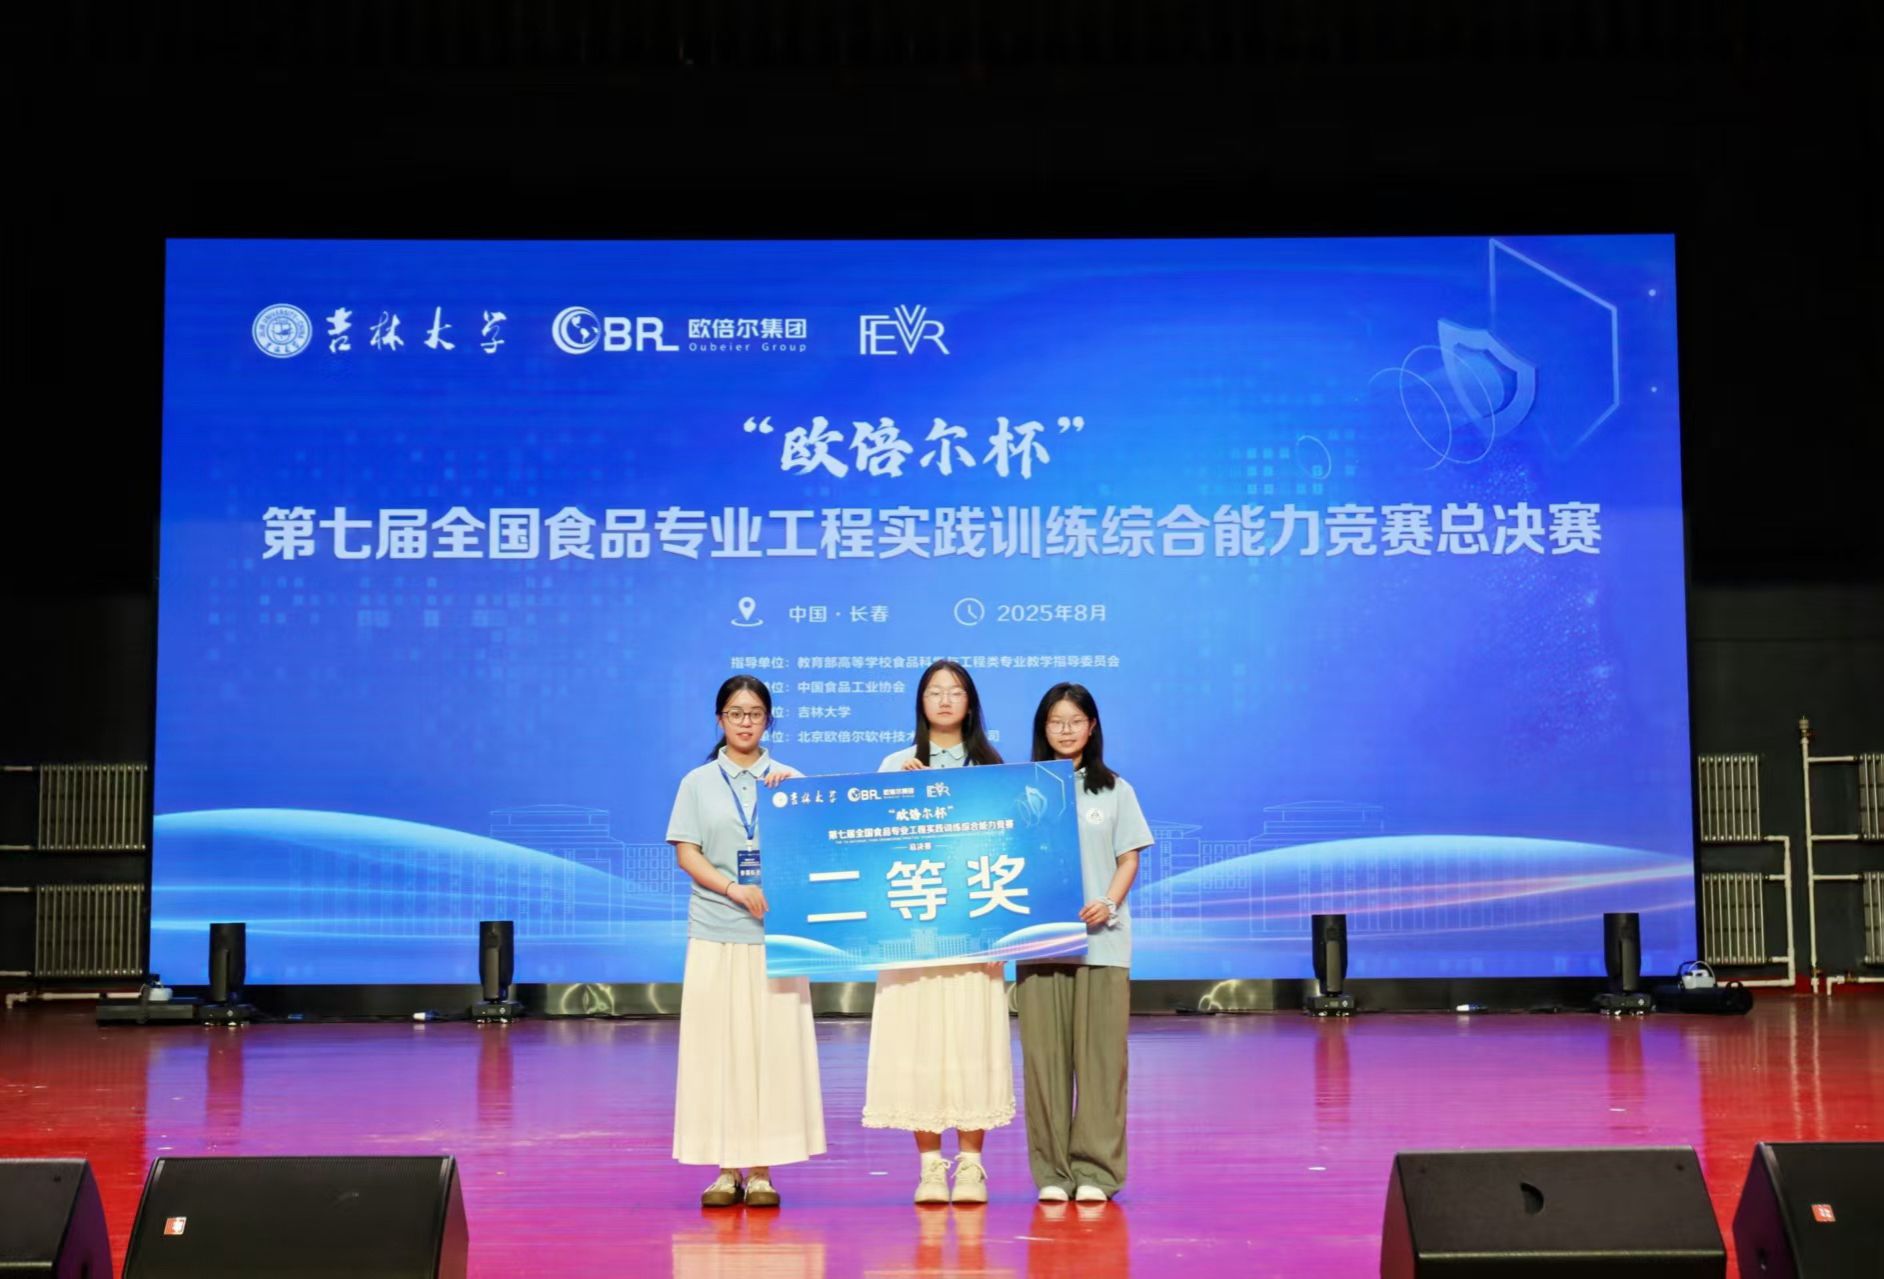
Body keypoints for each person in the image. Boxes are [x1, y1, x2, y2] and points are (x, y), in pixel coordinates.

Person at [667, 674, 825, 1208]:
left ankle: (761, 1169)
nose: (745, 722)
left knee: (772, 1051)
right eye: (735, 713)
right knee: (718, 1050)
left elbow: (815, 846)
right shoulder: (697, 782)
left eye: (755, 713)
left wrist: (794, 798)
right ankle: (725, 1167)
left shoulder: (788, 780)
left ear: (768, 720)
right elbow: (687, 853)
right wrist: (733, 888)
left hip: (777, 935)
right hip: (715, 930)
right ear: (720, 719)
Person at [865, 659, 1014, 1205]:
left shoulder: (992, 768)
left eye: (955, 691)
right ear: (920, 702)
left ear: (970, 703)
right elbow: (871, 848)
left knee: (973, 1039)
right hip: (913, 930)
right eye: (934, 691)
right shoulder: (895, 765)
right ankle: (930, 1166)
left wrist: (1006, 935)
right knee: (918, 1038)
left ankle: (972, 1164)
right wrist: (897, 795)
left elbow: (1010, 852)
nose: (945, 700)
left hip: (975, 931)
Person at [1015, 682, 1153, 1203]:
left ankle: (1096, 1172)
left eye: (1076, 721)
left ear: (1092, 727)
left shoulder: (1115, 789)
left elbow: (1128, 857)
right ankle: (1053, 1173)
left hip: (1102, 944)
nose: (1066, 730)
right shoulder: (1021, 790)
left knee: (1101, 1063)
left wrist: (1109, 903)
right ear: (1043, 729)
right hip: (1040, 946)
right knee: (1045, 1064)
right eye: (1056, 721)